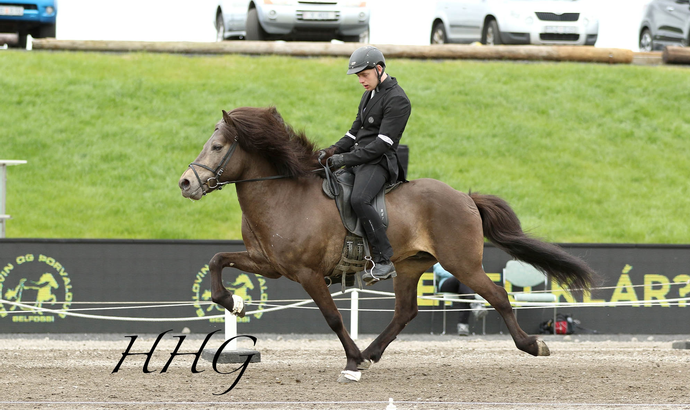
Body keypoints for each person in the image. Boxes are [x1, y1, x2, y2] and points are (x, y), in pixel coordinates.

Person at [318, 45, 411, 285]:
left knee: (359, 199)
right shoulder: (368, 94)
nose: (361, 80)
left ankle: (383, 260)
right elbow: (353, 134)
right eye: (358, 76)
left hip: (379, 163)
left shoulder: (398, 99)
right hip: (359, 160)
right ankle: (342, 263)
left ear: (379, 69)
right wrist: (330, 152)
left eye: (364, 75)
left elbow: (382, 144)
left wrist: (345, 159)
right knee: (331, 192)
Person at [433, 263, 488, 336]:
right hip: (448, 283)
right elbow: (438, 269)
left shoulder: (469, 254)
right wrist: (460, 272)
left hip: (467, 284)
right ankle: (475, 305)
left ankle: (463, 327)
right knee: (463, 278)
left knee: (464, 292)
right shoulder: (444, 253)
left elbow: (480, 269)